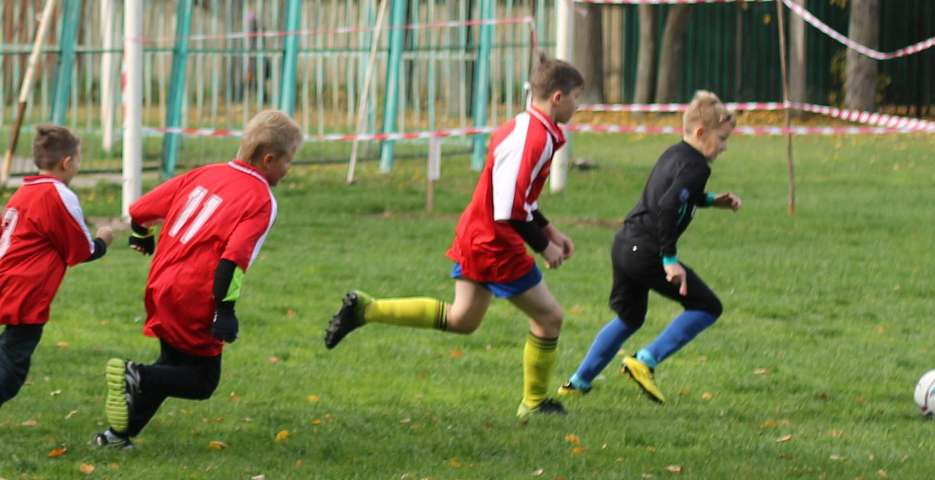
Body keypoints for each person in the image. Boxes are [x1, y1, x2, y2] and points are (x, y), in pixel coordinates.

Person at [321, 56, 583, 420]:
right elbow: (509, 206)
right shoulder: (532, 137)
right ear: (557, 97)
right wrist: (544, 246)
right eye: (575, 97)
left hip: (480, 233)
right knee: (550, 317)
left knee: (463, 320)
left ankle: (366, 308)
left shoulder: (526, 127)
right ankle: (535, 403)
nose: (577, 105)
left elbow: (518, 196)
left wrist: (549, 228)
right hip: (495, 242)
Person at [96, 109, 304, 450]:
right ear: (268, 160)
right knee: (201, 380)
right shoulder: (261, 199)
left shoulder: (205, 173)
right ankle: (136, 375)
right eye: (288, 161)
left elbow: (142, 208)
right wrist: (225, 311)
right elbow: (232, 260)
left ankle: (117, 437)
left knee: (172, 365)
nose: (289, 168)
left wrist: (141, 234)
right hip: (197, 292)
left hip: (162, 283)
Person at [563, 90, 740, 402]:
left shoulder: (674, 153)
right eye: (723, 139)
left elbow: (677, 193)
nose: (725, 147)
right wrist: (669, 259)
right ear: (701, 133)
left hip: (624, 245)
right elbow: (669, 205)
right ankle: (645, 360)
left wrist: (712, 200)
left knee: (630, 318)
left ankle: (578, 382)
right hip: (648, 251)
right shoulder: (698, 167)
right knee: (707, 306)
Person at [0, 125, 111, 439]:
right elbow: (80, 249)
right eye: (78, 160)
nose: (78, 166)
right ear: (66, 162)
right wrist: (103, 240)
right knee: (14, 364)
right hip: (27, 283)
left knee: (15, 336)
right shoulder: (59, 194)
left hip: (1, 274)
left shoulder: (25, 190)